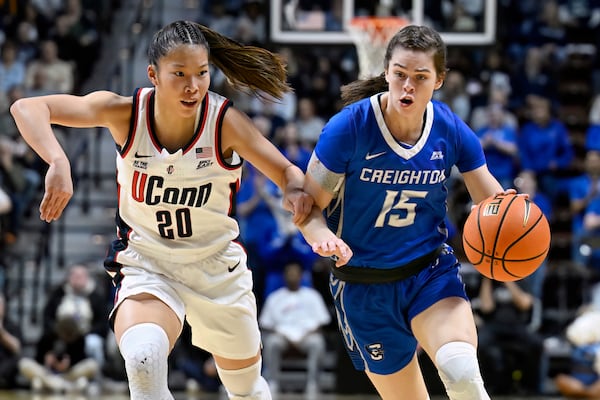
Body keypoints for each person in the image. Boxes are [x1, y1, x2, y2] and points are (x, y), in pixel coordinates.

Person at [10, 20, 313, 400]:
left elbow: (285, 170)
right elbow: (27, 108)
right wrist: (57, 160)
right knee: (143, 360)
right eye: (180, 74)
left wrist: (297, 190)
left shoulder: (224, 123)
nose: (193, 86)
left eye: (202, 74)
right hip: (148, 263)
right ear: (153, 74)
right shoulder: (124, 113)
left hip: (216, 267)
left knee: (245, 388)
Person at [295, 24, 509, 400]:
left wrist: (511, 217)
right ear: (387, 73)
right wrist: (321, 237)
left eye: (420, 77)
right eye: (400, 75)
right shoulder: (348, 128)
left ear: (439, 80)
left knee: (462, 374)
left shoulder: (449, 128)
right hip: (363, 286)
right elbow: (307, 210)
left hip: (429, 272)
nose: (408, 86)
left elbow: (490, 200)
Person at [259, 260, 331, 397]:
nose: (292, 276)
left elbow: (322, 322)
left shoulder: (312, 296)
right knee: (271, 342)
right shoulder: (275, 297)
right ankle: (273, 381)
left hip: (307, 336)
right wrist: (282, 334)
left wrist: (306, 334)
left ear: (301, 276)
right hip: (282, 337)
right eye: (289, 274)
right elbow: (266, 324)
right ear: (284, 276)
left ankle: (312, 383)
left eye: (295, 274)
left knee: (317, 342)